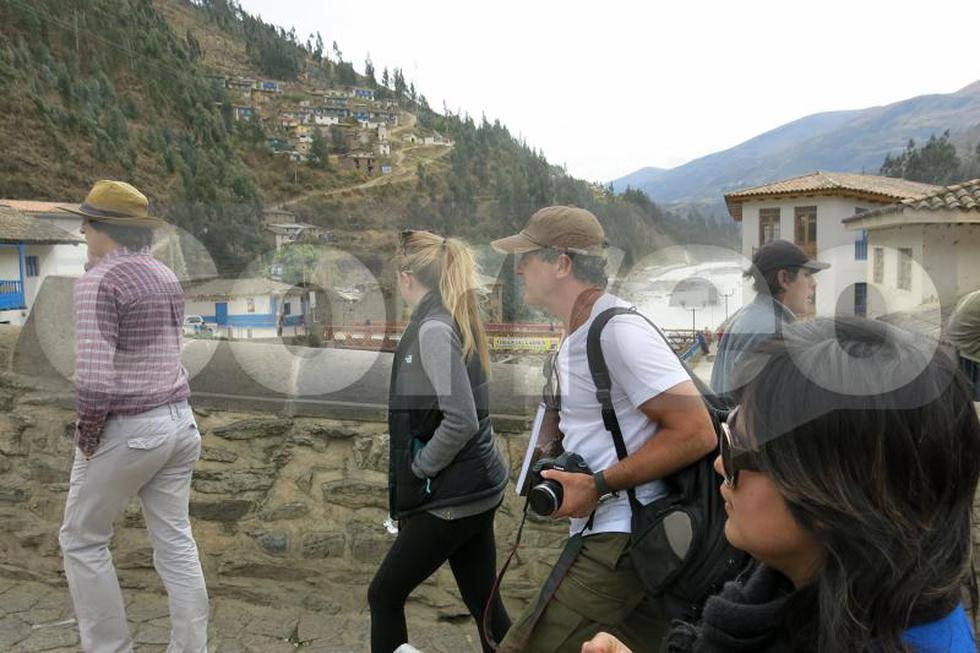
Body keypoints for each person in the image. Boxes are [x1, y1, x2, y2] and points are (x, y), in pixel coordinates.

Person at [584, 317, 979, 652]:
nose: (721, 464)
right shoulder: (804, 597)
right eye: (727, 432)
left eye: (737, 448)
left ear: (831, 492)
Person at [491, 206, 717, 653]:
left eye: (528, 256)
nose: (518, 268)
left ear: (562, 263)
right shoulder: (578, 334)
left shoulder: (617, 331)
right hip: (625, 541)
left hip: (622, 538)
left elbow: (697, 431)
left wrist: (597, 484)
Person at [58, 180, 209, 651]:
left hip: (130, 428)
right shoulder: (163, 275)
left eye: (86, 221)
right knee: (176, 542)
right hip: (180, 422)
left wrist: (87, 438)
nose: (82, 228)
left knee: (82, 540)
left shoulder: (98, 282)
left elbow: (96, 376)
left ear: (103, 228)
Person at [368, 230, 511, 653]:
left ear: (408, 274)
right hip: (477, 487)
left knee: (384, 596)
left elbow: (462, 419)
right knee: (485, 608)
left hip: (453, 495)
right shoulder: (449, 316)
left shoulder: (432, 328)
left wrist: (419, 468)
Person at [710, 240, 829, 404]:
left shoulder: (745, 316)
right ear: (784, 279)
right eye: (807, 275)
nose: (814, 284)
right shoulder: (776, 333)